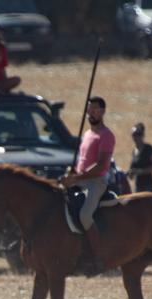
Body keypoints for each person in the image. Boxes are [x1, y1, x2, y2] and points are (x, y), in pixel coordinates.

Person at [61, 97, 114, 270]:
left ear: (103, 111)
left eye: (95, 109)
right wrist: (71, 175)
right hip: (80, 180)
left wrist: (78, 177)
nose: (91, 112)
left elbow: (101, 165)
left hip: (95, 182)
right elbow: (81, 162)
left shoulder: (106, 135)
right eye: (89, 109)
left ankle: (99, 256)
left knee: (84, 215)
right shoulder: (87, 134)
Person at [127, 122, 152, 193]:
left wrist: (142, 171)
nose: (135, 137)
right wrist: (131, 173)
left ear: (142, 135)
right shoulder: (134, 151)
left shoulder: (148, 148)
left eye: (138, 134)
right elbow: (132, 169)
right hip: (138, 186)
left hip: (148, 186)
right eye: (134, 135)